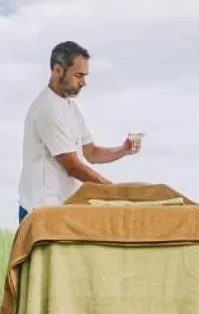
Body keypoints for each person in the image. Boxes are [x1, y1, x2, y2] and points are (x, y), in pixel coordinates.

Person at [17, 40, 141, 221]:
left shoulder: (70, 107)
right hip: (41, 210)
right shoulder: (47, 108)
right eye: (78, 75)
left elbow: (90, 152)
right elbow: (73, 166)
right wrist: (114, 191)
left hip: (63, 207)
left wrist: (123, 150)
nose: (83, 82)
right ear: (58, 70)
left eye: (85, 76)